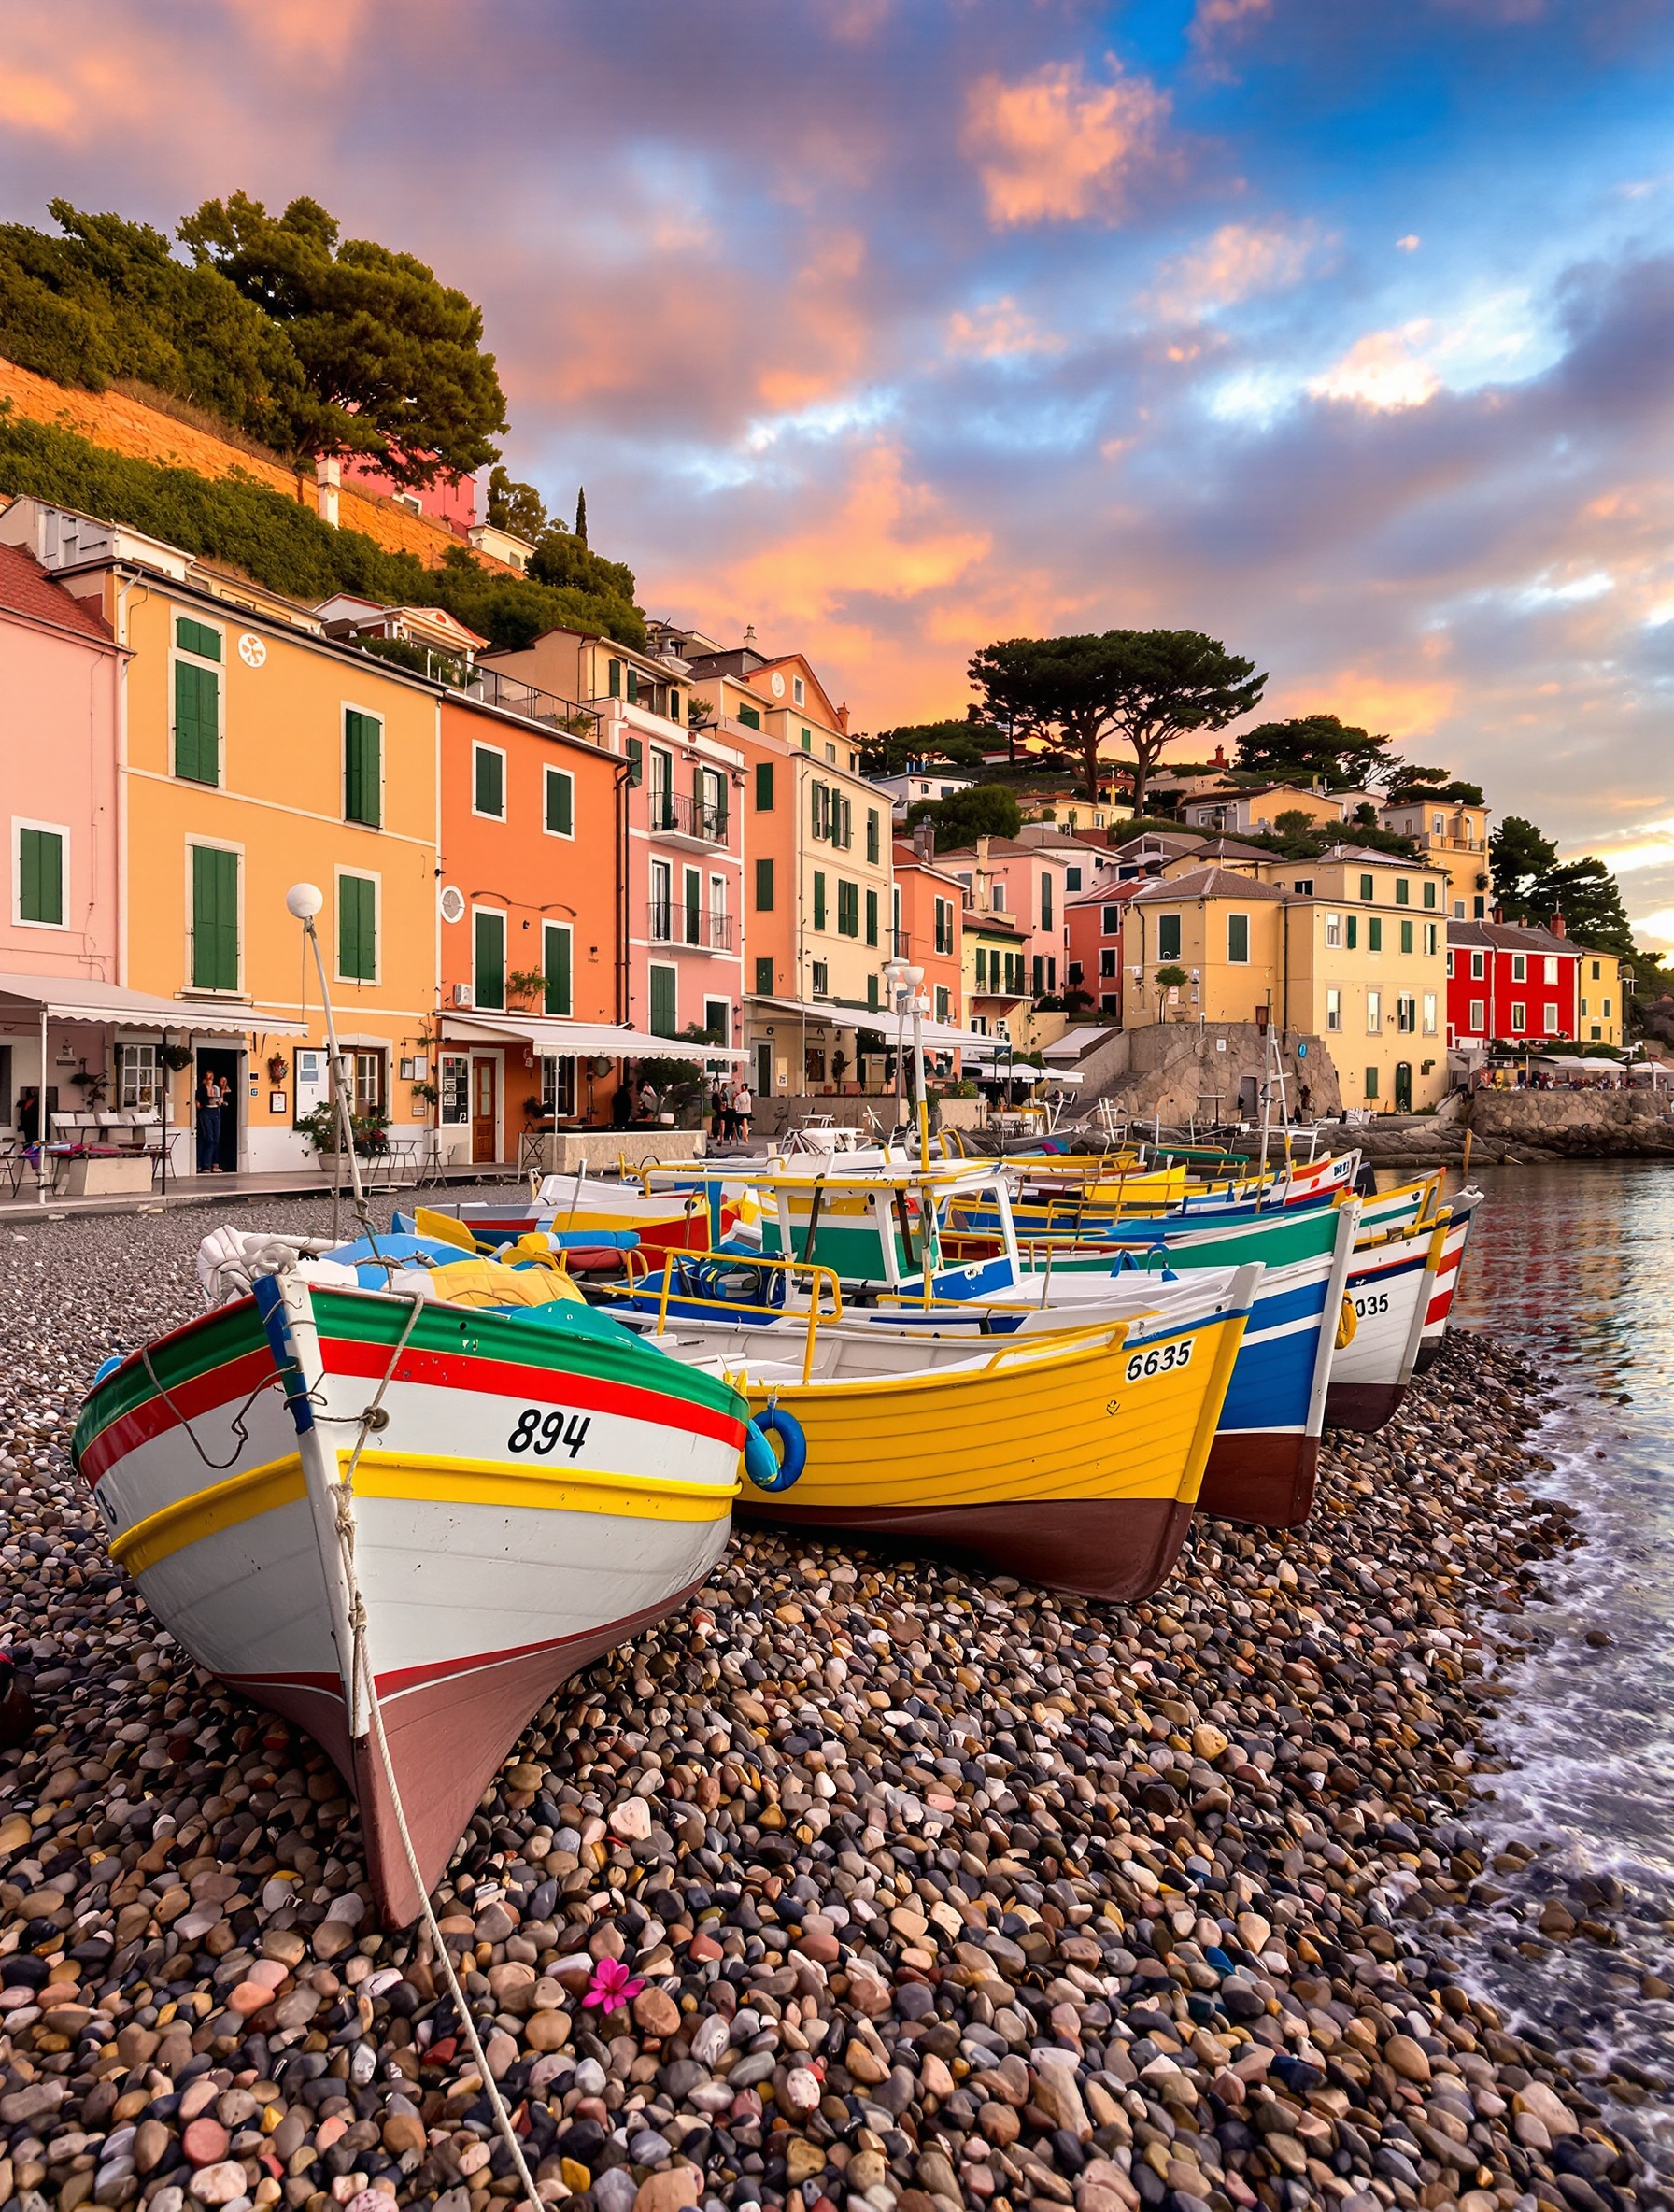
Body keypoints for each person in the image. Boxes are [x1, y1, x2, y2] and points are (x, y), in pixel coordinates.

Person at [195, 1069, 222, 1173]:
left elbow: (219, 1099)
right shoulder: (201, 1088)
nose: (210, 1080)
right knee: (209, 1139)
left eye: (211, 1077)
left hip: (215, 1111)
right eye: (208, 1077)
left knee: (216, 1139)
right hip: (206, 1111)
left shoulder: (216, 1088)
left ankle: (214, 1164)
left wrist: (219, 1101)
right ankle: (205, 1165)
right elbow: (201, 1101)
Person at [731, 1078, 753, 1143]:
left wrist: (734, 1098)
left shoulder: (739, 1096)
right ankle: (745, 1136)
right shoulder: (749, 1095)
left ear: (743, 1087)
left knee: (736, 1124)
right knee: (745, 1123)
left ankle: (736, 1136)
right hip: (748, 1112)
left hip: (740, 1113)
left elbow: (735, 1106)